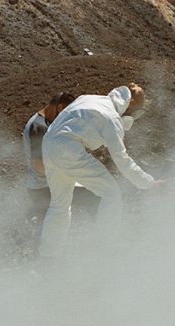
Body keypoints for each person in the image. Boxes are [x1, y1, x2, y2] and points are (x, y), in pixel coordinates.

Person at [38, 83, 162, 258]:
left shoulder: (90, 99)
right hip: (69, 149)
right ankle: (104, 251)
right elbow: (122, 160)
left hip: (49, 144)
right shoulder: (112, 119)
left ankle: (48, 255)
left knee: (59, 205)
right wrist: (148, 183)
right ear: (130, 106)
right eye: (138, 113)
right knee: (111, 194)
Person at [22, 92, 77, 219]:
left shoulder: (42, 122)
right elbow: (38, 165)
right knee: (93, 196)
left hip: (43, 186)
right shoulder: (39, 128)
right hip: (44, 188)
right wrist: (67, 175)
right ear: (60, 108)